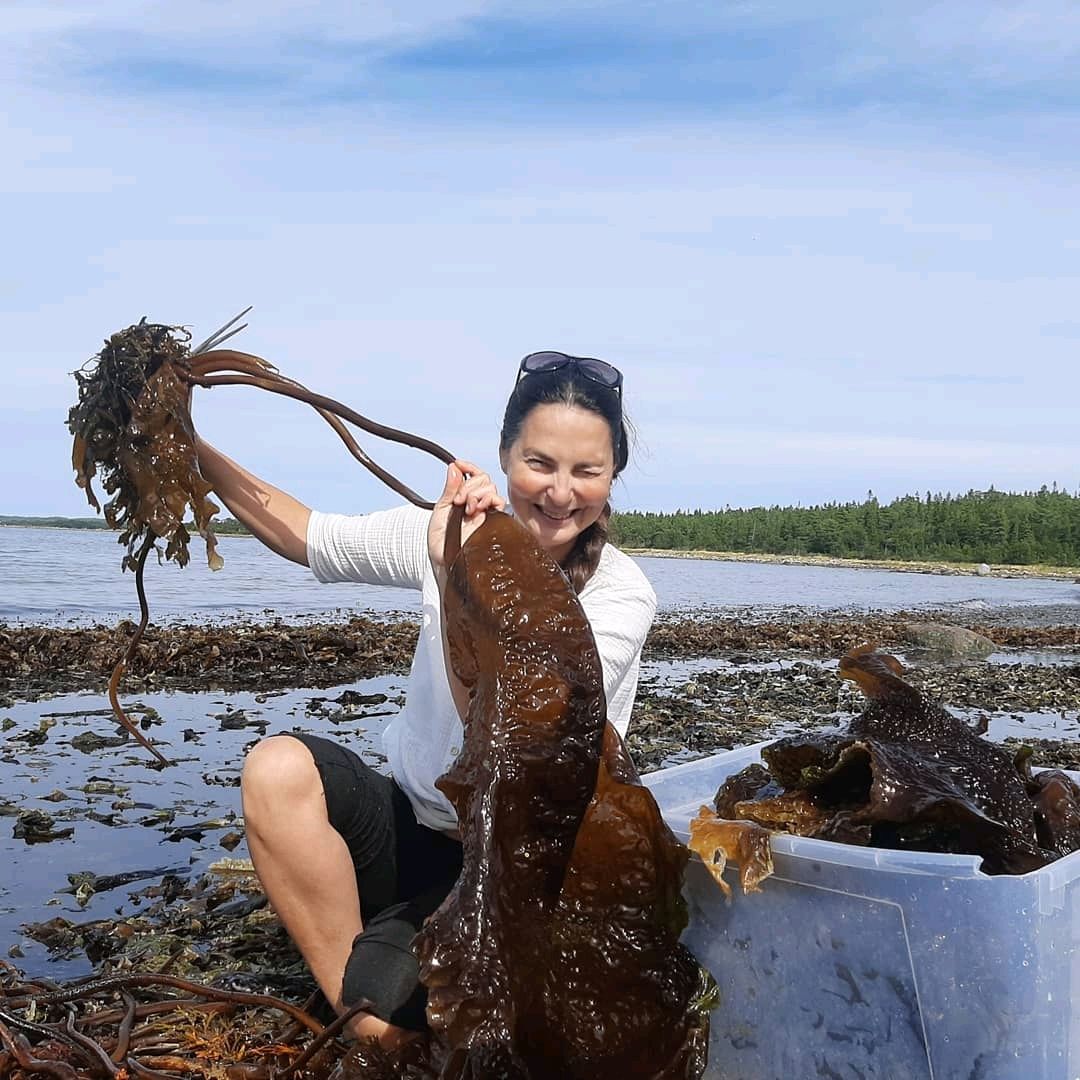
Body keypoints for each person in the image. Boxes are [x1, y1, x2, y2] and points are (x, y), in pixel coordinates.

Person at [195, 351, 657, 1047]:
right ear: (503, 456)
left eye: (586, 471)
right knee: (276, 768)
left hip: (512, 867)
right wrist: (189, 446)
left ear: (612, 475)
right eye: (540, 463)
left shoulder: (619, 594)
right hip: (413, 828)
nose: (560, 493)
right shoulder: (440, 530)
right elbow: (306, 535)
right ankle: (358, 1022)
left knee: (419, 1003)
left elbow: (505, 727)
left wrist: (454, 578)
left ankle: (372, 997)